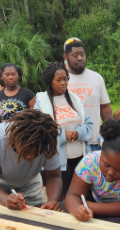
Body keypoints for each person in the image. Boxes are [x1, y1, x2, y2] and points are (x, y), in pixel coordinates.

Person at [0, 109, 63, 211]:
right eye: (26, 151)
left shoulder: (48, 141)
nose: (30, 157)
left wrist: (52, 201)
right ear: (15, 138)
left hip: (29, 184)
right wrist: (5, 199)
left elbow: (54, 176)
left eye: (37, 153)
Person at [65, 119, 120, 221]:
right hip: (91, 212)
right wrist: (77, 209)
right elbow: (73, 195)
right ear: (101, 155)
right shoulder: (89, 162)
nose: (110, 172)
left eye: (119, 169)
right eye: (106, 165)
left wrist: (91, 206)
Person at [35, 62, 93, 197]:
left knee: (81, 196)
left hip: (80, 158)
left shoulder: (74, 99)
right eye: (58, 80)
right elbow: (39, 132)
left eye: (65, 79)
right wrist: (62, 135)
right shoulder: (42, 103)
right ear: (50, 81)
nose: (63, 83)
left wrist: (78, 133)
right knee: (61, 198)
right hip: (58, 164)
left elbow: (89, 123)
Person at [63, 37, 112, 151]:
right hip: (69, 143)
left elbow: (105, 108)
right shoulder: (61, 80)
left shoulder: (96, 78)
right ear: (66, 57)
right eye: (75, 55)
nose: (80, 58)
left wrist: (110, 134)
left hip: (94, 142)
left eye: (82, 54)